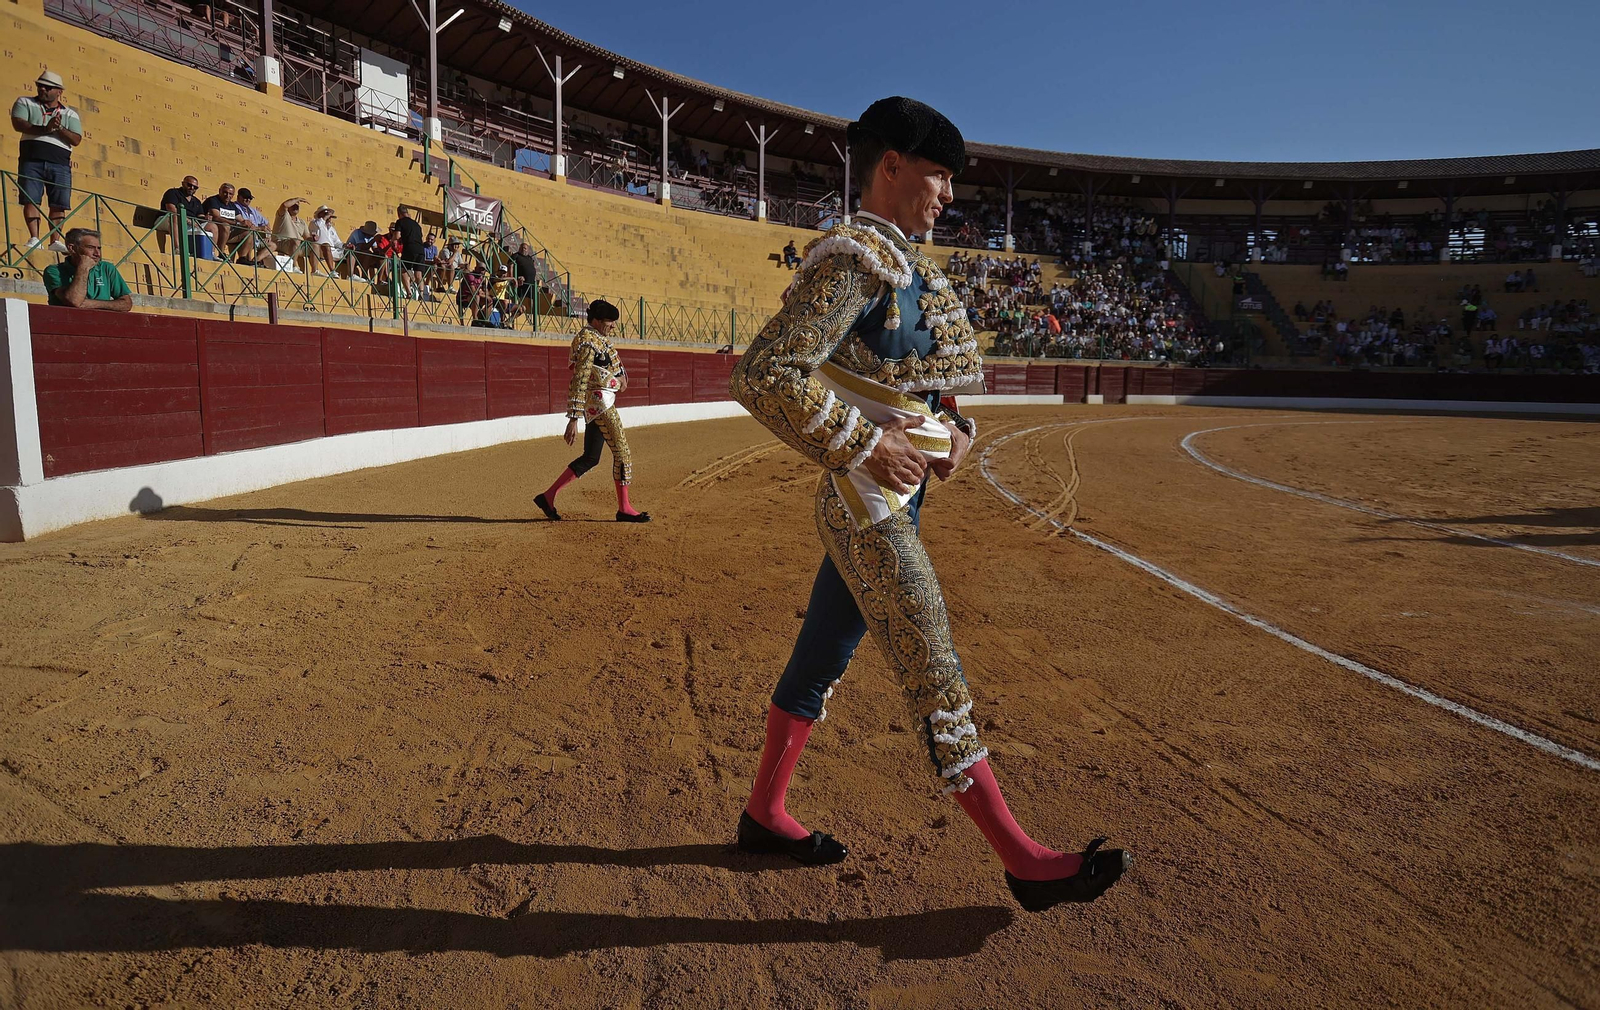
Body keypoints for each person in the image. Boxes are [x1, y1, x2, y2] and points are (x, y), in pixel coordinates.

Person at [727, 96, 1131, 912]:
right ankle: (1021, 858)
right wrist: (863, 443)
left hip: (895, 495)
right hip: (863, 499)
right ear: (892, 167)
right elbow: (765, 373)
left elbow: (909, 382)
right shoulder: (854, 261)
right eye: (939, 174)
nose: (948, 193)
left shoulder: (902, 264)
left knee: (820, 659)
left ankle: (765, 812)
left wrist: (954, 428)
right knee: (932, 659)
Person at [533, 299, 651, 523]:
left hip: (599, 402)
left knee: (590, 457)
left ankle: (548, 497)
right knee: (623, 454)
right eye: (609, 321)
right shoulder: (588, 343)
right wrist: (573, 419)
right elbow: (580, 379)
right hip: (600, 404)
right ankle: (624, 508)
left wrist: (619, 382)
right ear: (596, 320)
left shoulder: (598, 339)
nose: (613, 326)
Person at [11, 70, 82, 254]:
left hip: (60, 163)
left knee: (59, 203)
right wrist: (45, 128)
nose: (42, 89)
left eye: (48, 87)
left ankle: (55, 240)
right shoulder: (25, 102)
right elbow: (19, 123)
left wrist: (58, 129)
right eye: (40, 86)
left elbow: (76, 139)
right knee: (31, 200)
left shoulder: (70, 114)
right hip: (31, 160)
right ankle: (34, 237)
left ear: (59, 91)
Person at [42, 228, 131, 311]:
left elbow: (126, 303)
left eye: (99, 248)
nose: (97, 253)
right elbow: (74, 301)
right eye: (90, 247)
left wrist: (91, 304)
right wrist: (83, 268)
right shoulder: (54, 271)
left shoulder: (106, 268)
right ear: (72, 248)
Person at [158, 175, 204, 255]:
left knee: (212, 226)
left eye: (195, 187)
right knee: (175, 217)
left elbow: (201, 216)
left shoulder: (196, 201)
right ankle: (178, 248)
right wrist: (187, 220)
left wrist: (200, 221)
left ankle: (210, 253)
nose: (192, 188)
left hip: (189, 224)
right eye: (189, 185)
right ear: (183, 184)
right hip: (165, 219)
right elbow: (171, 209)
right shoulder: (173, 192)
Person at [200, 182, 240, 258]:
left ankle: (244, 258)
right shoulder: (213, 200)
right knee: (226, 226)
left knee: (250, 233)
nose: (228, 196)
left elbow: (240, 219)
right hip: (212, 228)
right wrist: (234, 223)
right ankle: (221, 253)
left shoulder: (232, 205)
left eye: (230, 194)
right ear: (219, 191)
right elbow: (216, 217)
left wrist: (248, 223)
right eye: (225, 193)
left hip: (228, 233)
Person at [393, 205, 425, 297]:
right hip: (420, 249)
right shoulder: (417, 224)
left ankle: (409, 293)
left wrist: (393, 240)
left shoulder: (400, 222)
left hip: (409, 248)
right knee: (419, 273)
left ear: (399, 213)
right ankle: (421, 294)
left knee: (403, 270)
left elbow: (397, 236)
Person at [272, 196, 312, 270]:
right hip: (282, 243)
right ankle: (294, 266)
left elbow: (307, 238)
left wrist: (313, 238)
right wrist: (298, 199)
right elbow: (284, 205)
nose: (295, 207)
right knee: (295, 240)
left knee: (316, 246)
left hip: (296, 246)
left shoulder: (302, 222)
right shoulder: (283, 215)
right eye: (293, 205)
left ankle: (315, 271)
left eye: (297, 206)